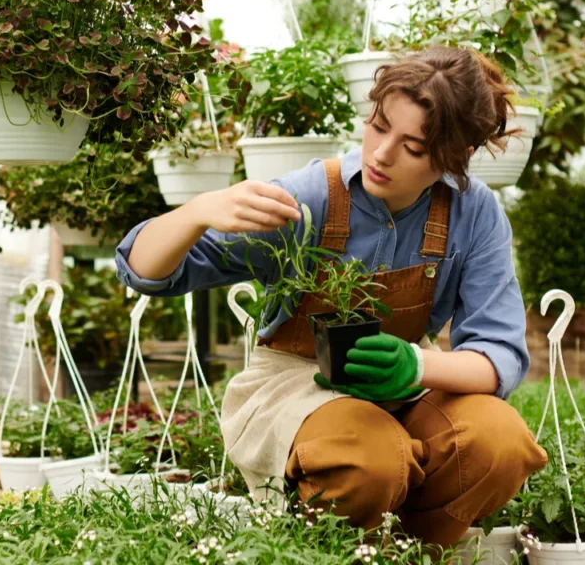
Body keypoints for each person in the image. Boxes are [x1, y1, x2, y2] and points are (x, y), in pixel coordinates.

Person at [114, 45, 548, 548]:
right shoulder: (310, 197)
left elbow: (499, 355)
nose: (381, 153)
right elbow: (145, 271)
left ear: (456, 156)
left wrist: (415, 366)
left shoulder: (474, 213)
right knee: (368, 460)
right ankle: (337, 537)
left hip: (403, 388)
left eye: (412, 147)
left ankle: (410, 549)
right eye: (380, 125)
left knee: (499, 443)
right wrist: (197, 211)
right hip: (296, 385)